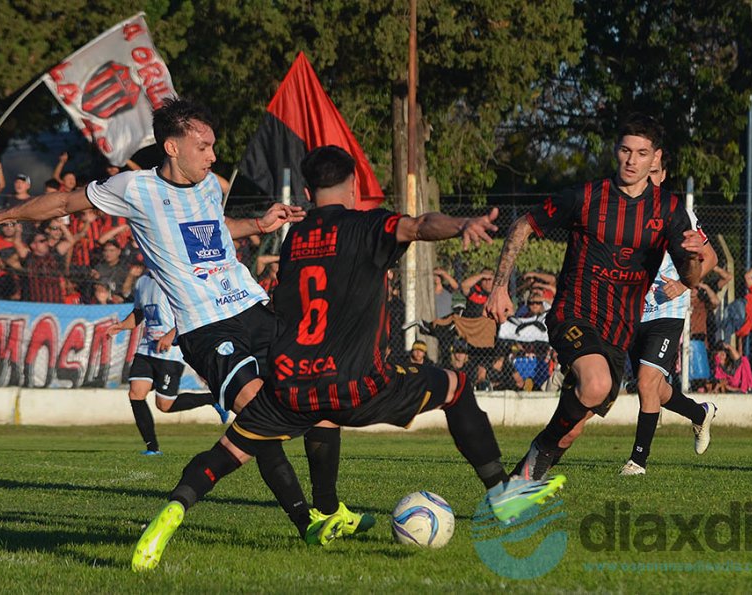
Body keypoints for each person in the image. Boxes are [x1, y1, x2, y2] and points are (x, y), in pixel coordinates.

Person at [129, 145, 565, 571]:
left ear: (305, 192)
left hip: (291, 388)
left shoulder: (296, 238)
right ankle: (501, 493)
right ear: (354, 186)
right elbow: (418, 226)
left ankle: (173, 510)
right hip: (357, 384)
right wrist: (461, 224)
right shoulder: (366, 225)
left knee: (228, 452)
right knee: (455, 387)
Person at [0, 96, 312, 562]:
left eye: (214, 147)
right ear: (172, 146)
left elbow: (211, 230)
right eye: (204, 146)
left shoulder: (210, 184)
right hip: (205, 325)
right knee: (256, 412)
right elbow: (63, 204)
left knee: (313, 392)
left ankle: (327, 512)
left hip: (254, 307)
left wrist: (256, 223)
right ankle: (306, 521)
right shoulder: (133, 188)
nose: (213, 155)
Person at [483, 113, 706, 481]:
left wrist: (694, 256)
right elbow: (524, 224)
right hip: (575, 314)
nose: (632, 160)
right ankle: (534, 458)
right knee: (597, 384)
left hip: (619, 332)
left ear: (656, 158)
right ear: (616, 152)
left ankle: (515, 491)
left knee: (572, 429)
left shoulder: (669, 210)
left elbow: (689, 277)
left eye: (642, 152)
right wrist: (499, 286)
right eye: (625, 150)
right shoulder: (586, 197)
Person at [546, 158, 720, 475]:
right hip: (628, 309)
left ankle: (638, 461)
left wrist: (682, 284)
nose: (646, 176)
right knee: (653, 387)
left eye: (654, 172)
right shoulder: (620, 208)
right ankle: (698, 413)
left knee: (646, 382)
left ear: (663, 174)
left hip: (667, 310)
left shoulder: (677, 213)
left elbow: (710, 257)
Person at [108, 269, 229, 455]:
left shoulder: (174, 278)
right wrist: (123, 325)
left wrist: (171, 335)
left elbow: (192, 313)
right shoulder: (142, 282)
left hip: (170, 351)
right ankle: (152, 448)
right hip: (147, 348)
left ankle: (212, 399)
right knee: (135, 393)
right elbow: (139, 312)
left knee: (164, 405)